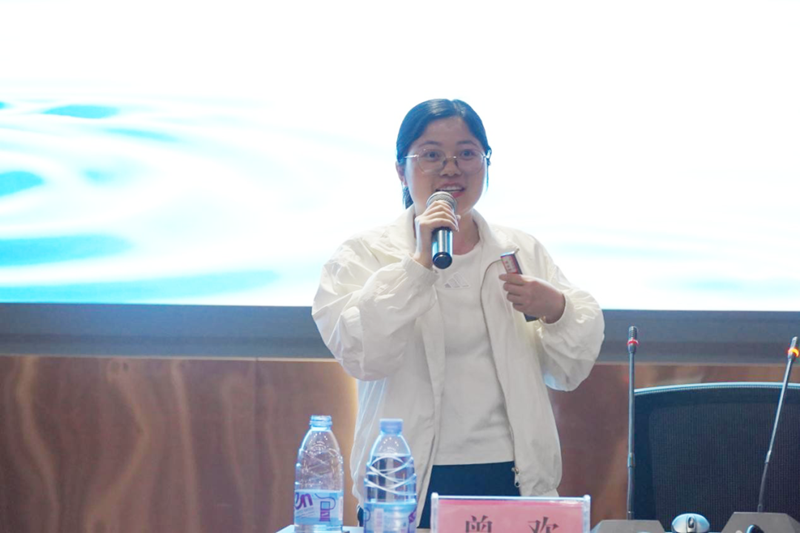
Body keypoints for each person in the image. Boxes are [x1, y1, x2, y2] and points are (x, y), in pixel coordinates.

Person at [312, 98, 604, 528]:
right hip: (405, 476)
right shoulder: (364, 253)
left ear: (486, 162)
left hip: (512, 473)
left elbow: (568, 370)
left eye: (467, 153)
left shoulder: (519, 250)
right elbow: (362, 355)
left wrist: (556, 310)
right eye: (431, 155)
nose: (451, 169)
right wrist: (417, 266)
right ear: (400, 170)